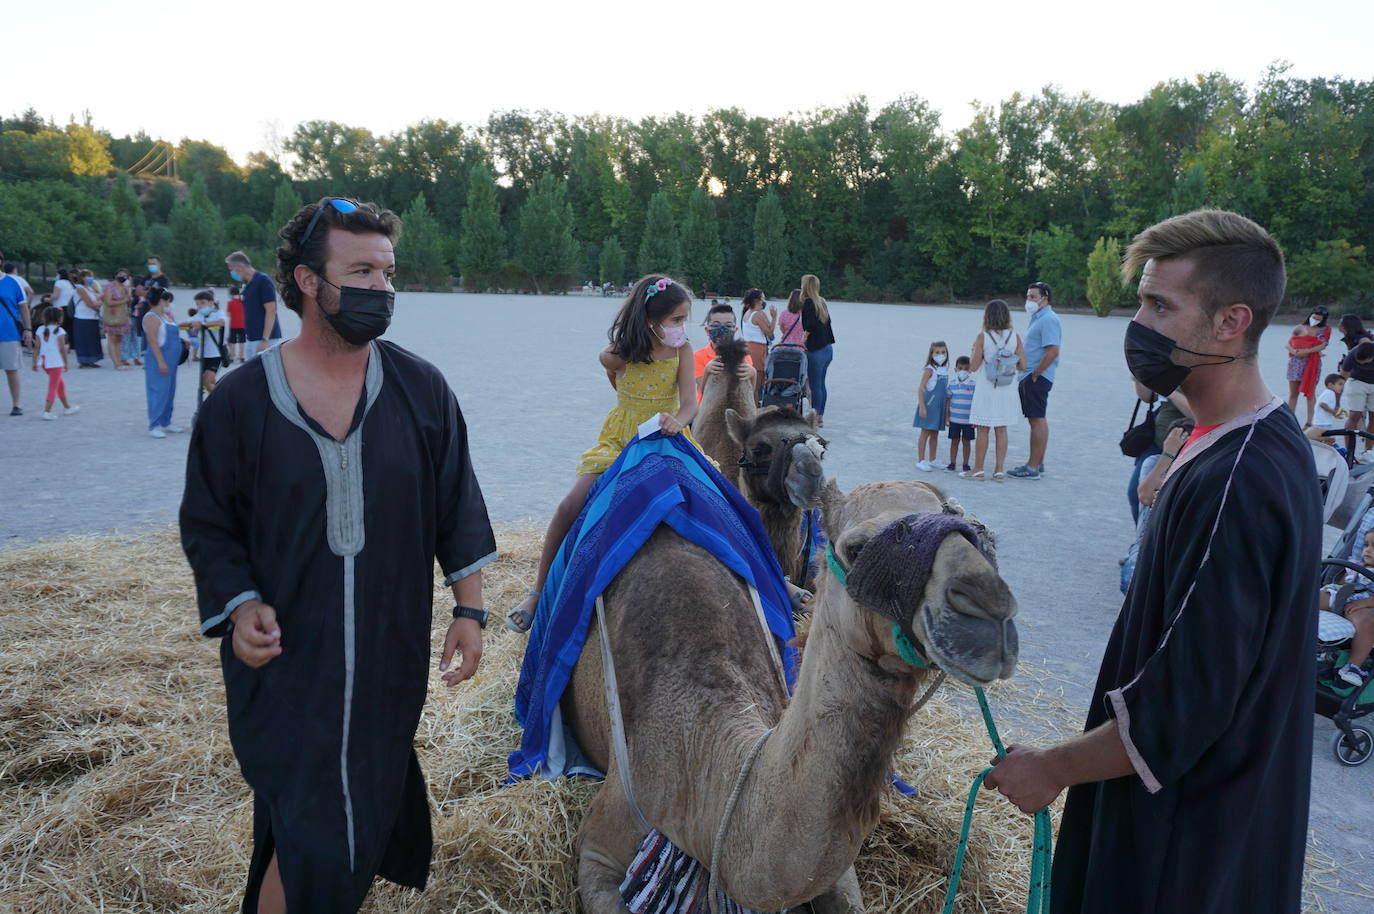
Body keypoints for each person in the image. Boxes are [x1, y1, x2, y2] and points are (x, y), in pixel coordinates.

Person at [985, 209, 1318, 914]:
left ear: (1231, 321)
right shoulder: (1243, 440)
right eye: (1141, 300)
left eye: (1160, 306)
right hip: (1201, 827)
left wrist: (1051, 769)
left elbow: (1180, 711)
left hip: (1183, 847)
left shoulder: (1241, 480)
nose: (1138, 325)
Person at [181, 196, 496, 914]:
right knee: (317, 826)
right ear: (307, 281)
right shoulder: (238, 405)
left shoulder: (421, 391)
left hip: (387, 663)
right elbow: (208, 525)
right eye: (361, 272)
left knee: (326, 824)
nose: (382, 290)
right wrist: (240, 605)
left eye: (387, 274)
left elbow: (458, 504)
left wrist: (470, 610)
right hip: (285, 664)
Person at [506, 275, 700, 632]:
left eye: (684, 320)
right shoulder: (614, 356)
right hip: (621, 440)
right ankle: (538, 591)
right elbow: (619, 390)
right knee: (571, 504)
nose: (682, 328)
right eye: (676, 320)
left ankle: (774, 580)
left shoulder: (682, 350)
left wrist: (679, 419)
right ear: (649, 321)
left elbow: (690, 403)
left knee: (720, 495)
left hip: (668, 436)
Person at [1120, 418, 1193, 593]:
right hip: (1146, 550)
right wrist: (1168, 455)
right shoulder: (1155, 462)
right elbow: (1145, 496)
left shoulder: (1196, 468)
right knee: (1129, 582)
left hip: (1174, 555)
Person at [961, 299, 1024, 480]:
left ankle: (979, 469)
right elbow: (1023, 365)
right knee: (1001, 429)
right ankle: (998, 471)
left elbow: (973, 367)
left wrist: (975, 349)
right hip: (1007, 388)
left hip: (987, 387)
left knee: (982, 429)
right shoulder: (1015, 336)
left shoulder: (983, 336)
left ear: (987, 316)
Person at [1008, 281, 1062, 479]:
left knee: (1036, 419)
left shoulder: (1048, 319)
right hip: (1031, 375)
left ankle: (1032, 467)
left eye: (1032, 296)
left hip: (1037, 377)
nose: (1028, 300)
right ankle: (1037, 463)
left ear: (1044, 298)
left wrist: (1036, 373)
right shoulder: (1038, 317)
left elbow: (1053, 350)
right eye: (1027, 296)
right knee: (1036, 419)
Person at [1320, 529, 1374, 687]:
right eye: (1366, 545)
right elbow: (1342, 585)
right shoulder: (1356, 565)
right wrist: (1351, 574)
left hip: (1364, 606)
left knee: (1367, 621)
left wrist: (1364, 603)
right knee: (1310, 597)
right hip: (1341, 597)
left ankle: (1353, 666)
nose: (1367, 550)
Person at [694, 301, 755, 400]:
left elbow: (749, 391)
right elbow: (702, 390)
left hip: (734, 408)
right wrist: (707, 371)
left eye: (728, 325)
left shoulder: (743, 355)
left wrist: (753, 373)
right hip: (707, 410)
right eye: (715, 325)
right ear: (707, 330)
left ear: (735, 330)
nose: (722, 329)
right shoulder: (698, 356)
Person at [141, 287, 182, 438]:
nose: (169, 302)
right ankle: (154, 424)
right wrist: (161, 362)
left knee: (170, 390)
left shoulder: (165, 315)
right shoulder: (151, 317)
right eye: (167, 299)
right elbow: (153, 341)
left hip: (171, 360)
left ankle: (166, 420)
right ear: (161, 300)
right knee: (158, 391)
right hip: (159, 359)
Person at [227, 251, 282, 355]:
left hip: (265, 340)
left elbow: (271, 310)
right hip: (252, 339)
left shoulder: (263, 281)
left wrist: (265, 339)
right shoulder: (248, 285)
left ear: (240, 266)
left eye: (232, 270)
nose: (232, 274)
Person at [31, 305, 78, 419]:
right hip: (55, 362)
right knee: (53, 386)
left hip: (44, 362)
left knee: (59, 384)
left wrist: (34, 362)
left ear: (44, 317)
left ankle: (67, 407)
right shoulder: (60, 331)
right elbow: (62, 349)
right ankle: (47, 411)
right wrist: (66, 363)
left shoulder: (40, 329)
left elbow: (36, 347)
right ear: (59, 318)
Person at [799, 274, 834, 422]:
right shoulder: (822, 302)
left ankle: (814, 417)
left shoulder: (808, 302)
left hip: (815, 350)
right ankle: (820, 415)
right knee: (821, 383)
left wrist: (804, 337)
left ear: (805, 286)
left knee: (814, 385)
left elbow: (810, 324)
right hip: (827, 349)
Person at [1, 262, 34, 416]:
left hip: (9, 332)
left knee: (11, 370)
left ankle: (16, 404)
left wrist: (28, 329)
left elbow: (23, 307)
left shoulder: (13, 282)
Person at [912, 340, 949, 471]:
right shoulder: (930, 369)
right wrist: (922, 406)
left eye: (943, 352)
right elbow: (921, 388)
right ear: (931, 354)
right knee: (925, 432)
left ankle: (933, 459)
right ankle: (921, 460)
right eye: (937, 352)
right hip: (929, 405)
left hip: (940, 406)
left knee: (935, 433)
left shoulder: (945, 369)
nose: (940, 354)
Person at [1340, 340, 1374, 461]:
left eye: (1363, 362)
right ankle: (1349, 452)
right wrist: (1337, 397)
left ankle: (1368, 451)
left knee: (1373, 416)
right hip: (1357, 381)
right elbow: (1343, 374)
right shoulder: (1353, 354)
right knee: (1355, 415)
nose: (1360, 363)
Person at [189, 289, 228, 396]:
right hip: (205, 354)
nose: (199, 306)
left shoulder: (217, 313)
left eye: (202, 303)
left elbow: (221, 322)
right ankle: (215, 404)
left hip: (216, 354)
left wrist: (203, 324)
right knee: (208, 382)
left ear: (211, 303)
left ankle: (221, 401)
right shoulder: (200, 315)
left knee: (206, 381)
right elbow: (189, 321)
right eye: (197, 303)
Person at [739, 288, 775, 403]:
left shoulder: (747, 313)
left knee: (751, 383)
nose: (764, 300)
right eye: (763, 297)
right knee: (757, 383)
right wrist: (774, 317)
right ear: (758, 300)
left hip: (748, 348)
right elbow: (769, 333)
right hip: (758, 350)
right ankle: (755, 409)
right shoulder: (758, 314)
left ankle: (753, 406)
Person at [945, 355, 975, 472]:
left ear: (970, 370)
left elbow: (975, 404)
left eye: (966, 368)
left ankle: (965, 464)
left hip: (968, 421)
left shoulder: (973, 385)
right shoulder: (951, 384)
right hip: (954, 420)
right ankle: (952, 463)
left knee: (966, 442)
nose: (963, 371)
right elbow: (948, 401)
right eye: (960, 368)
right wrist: (947, 417)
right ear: (955, 369)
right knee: (954, 441)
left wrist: (975, 419)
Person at [100, 269, 134, 369]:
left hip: (122, 316)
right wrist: (124, 300)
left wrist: (129, 297)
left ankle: (119, 361)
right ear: (115, 275)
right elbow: (108, 302)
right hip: (112, 315)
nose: (123, 277)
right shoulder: (110, 287)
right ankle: (116, 363)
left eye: (125, 276)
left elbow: (129, 301)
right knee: (112, 338)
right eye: (120, 274)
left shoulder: (125, 287)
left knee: (119, 338)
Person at [71, 269, 104, 367]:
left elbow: (97, 300)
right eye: (88, 276)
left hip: (92, 317)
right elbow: (90, 303)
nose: (91, 278)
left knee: (92, 339)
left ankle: (91, 360)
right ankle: (83, 361)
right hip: (82, 317)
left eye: (91, 276)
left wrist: (99, 302)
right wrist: (100, 302)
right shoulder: (80, 288)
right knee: (83, 339)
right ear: (82, 277)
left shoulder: (90, 288)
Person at [1306, 374, 1346, 444]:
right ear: (1330, 385)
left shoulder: (1328, 392)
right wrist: (1334, 412)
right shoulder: (1330, 393)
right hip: (1323, 423)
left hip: (1321, 422)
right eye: (1340, 384)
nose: (1342, 387)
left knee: (1325, 441)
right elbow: (1322, 404)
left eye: (1343, 385)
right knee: (1330, 440)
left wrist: (1334, 414)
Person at [226, 284, 246, 363]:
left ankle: (232, 356)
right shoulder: (243, 302)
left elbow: (228, 315)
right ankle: (242, 356)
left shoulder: (230, 302)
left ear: (231, 293)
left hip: (233, 324)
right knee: (242, 341)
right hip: (242, 324)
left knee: (232, 341)